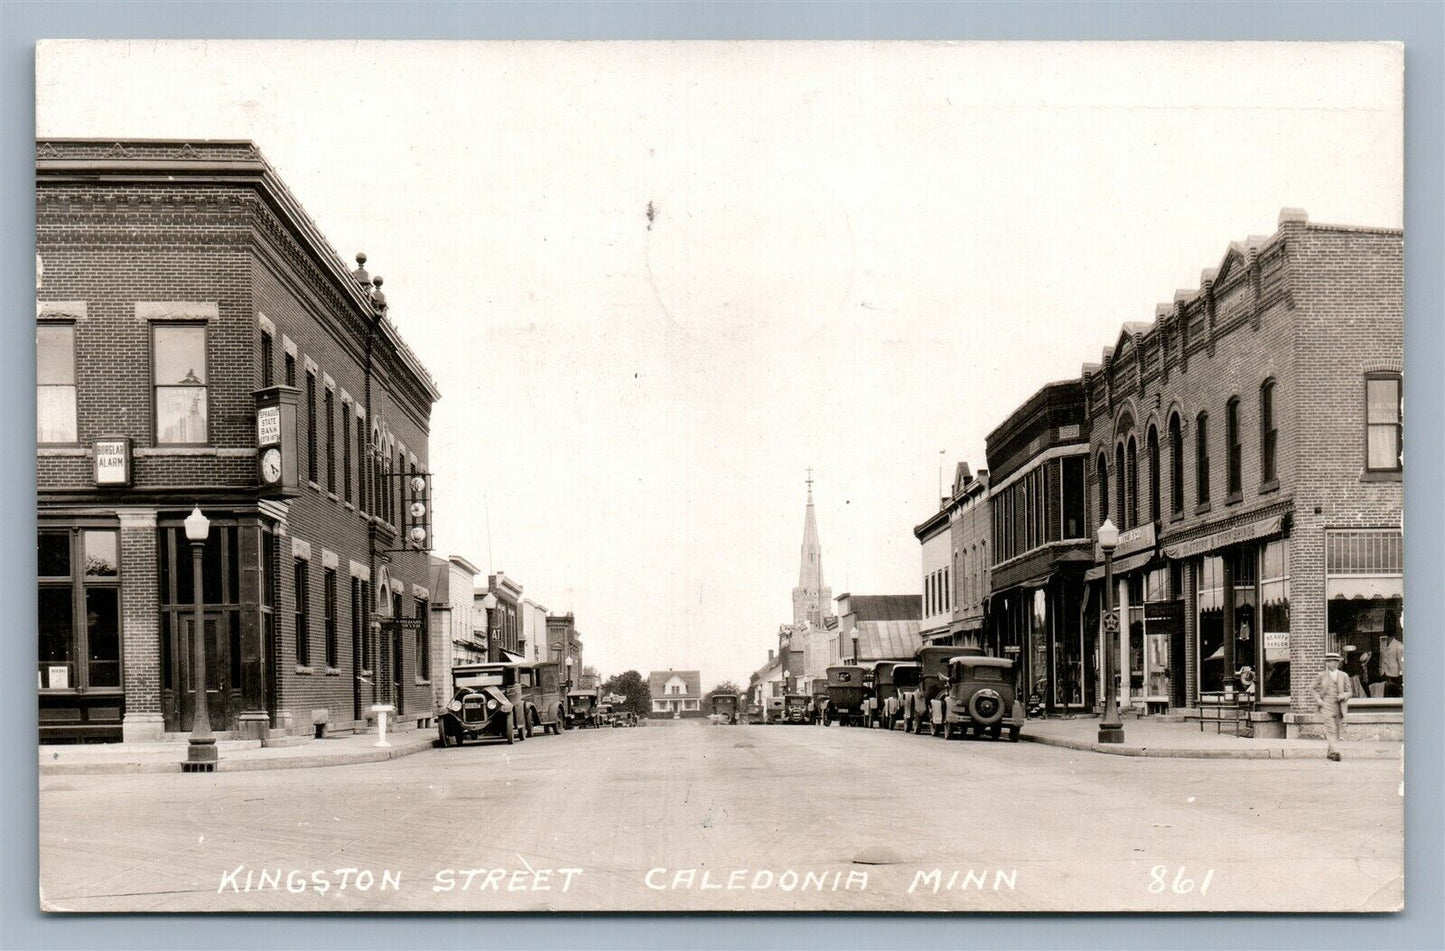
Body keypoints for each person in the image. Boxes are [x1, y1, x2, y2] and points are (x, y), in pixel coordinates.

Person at [1309, 652, 1353, 761]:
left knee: (1337, 730)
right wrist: (1319, 700)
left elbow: (1350, 691)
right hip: (1326, 705)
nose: (1329, 663)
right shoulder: (1321, 675)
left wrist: (1344, 695)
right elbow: (1311, 688)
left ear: (1337, 663)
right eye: (1327, 661)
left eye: (1331, 661)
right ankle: (1336, 752)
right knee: (1331, 728)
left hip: (1339, 706)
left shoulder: (1344, 675)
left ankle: (1330, 753)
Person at [1379, 630, 1403, 698]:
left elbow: (1401, 661)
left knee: (1395, 693)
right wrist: (1380, 668)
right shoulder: (1383, 644)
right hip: (1384, 672)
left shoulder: (1399, 645)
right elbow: (1381, 658)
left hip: (1394, 674)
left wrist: (1402, 674)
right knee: (1385, 693)